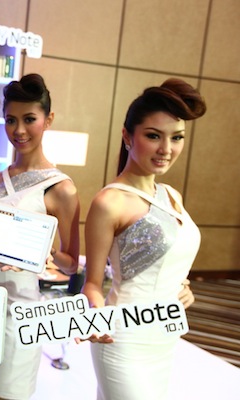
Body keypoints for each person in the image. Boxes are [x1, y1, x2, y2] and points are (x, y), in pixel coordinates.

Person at [81, 78, 206, 400]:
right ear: (128, 136)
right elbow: (92, 284)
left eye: (176, 137)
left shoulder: (171, 195)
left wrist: (183, 286)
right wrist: (94, 314)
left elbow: (169, 259)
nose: (166, 149)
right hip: (122, 339)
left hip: (164, 337)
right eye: (153, 136)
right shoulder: (109, 202)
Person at [0, 73, 80, 400]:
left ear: (48, 120)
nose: (19, 130)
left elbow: (71, 264)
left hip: (19, 312)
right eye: (11, 120)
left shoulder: (61, 189)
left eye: (29, 119)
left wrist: (44, 254)